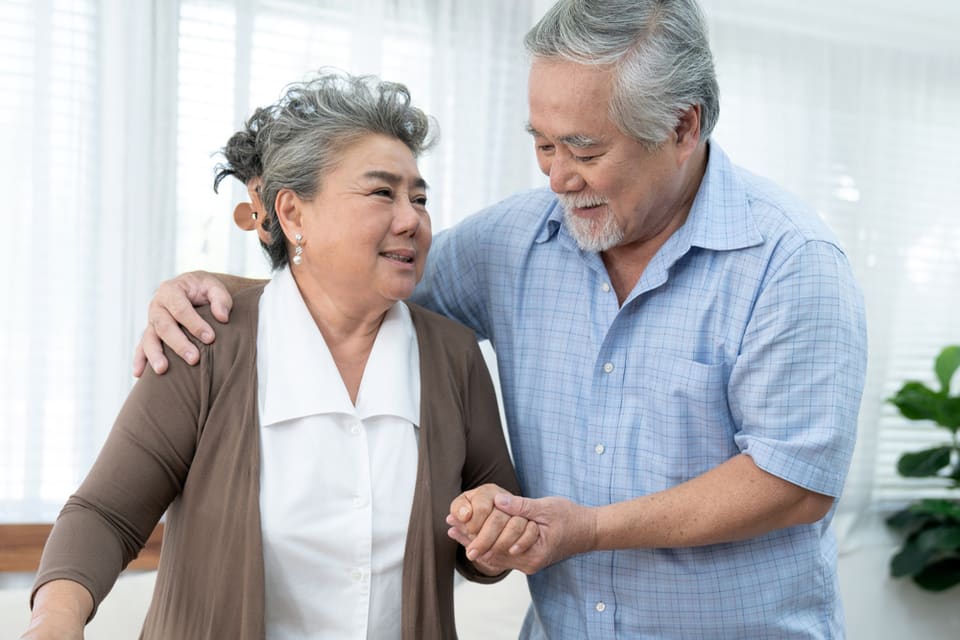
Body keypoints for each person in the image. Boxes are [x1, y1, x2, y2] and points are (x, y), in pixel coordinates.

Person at [134, 0, 868, 637]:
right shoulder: (515, 241)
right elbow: (355, 285)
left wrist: (588, 529)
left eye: (585, 149)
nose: (557, 177)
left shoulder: (791, 263)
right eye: (543, 144)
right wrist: (216, 292)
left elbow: (793, 482)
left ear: (683, 127)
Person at [21, 70, 527, 640]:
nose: (412, 218)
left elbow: (495, 544)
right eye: (382, 193)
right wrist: (53, 623)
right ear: (292, 214)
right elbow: (105, 514)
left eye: (420, 198)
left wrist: (495, 532)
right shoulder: (205, 341)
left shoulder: (453, 355)